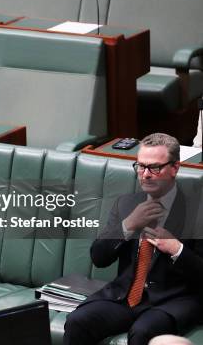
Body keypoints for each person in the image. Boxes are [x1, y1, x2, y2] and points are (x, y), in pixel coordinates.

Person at [64, 133, 203, 345]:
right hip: (125, 297)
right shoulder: (127, 204)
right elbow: (99, 258)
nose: (145, 174)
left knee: (142, 331)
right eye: (140, 166)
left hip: (172, 300)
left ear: (175, 168)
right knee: (78, 321)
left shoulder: (197, 210)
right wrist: (127, 226)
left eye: (154, 168)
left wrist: (177, 249)